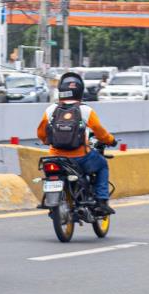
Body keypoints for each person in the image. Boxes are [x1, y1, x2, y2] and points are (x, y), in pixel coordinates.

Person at [37, 72, 117, 215]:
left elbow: (41, 133)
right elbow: (100, 132)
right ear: (80, 91)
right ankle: (101, 201)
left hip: (55, 158)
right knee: (102, 164)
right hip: (80, 158)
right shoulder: (86, 110)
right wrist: (110, 140)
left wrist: (46, 141)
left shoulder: (50, 110)